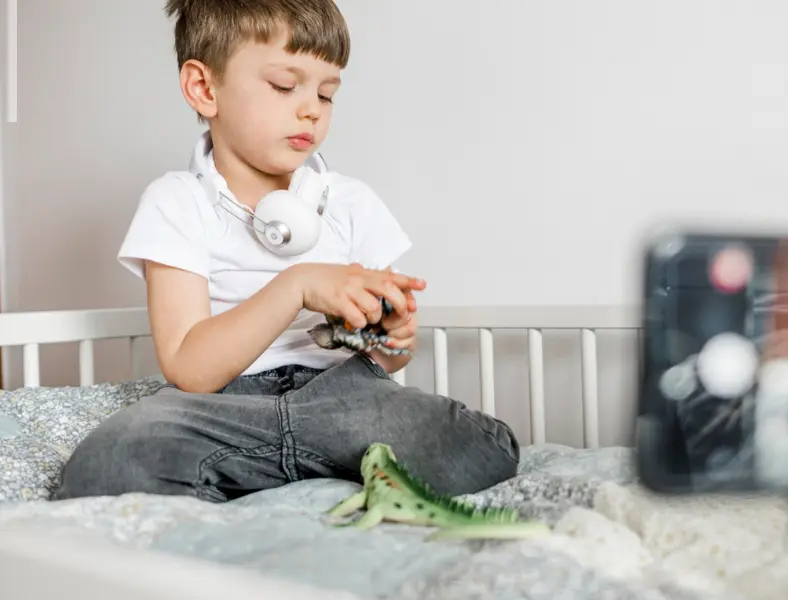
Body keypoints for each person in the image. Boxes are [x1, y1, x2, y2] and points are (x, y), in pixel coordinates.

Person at [52, 0, 519, 503]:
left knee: (483, 446)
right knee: (107, 464)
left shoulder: (349, 201)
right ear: (204, 88)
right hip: (225, 409)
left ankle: (285, 470)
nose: (311, 109)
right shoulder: (176, 201)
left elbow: (385, 362)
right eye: (284, 86)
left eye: (326, 93)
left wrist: (393, 337)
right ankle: (313, 472)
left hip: (344, 397)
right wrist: (296, 286)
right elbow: (189, 368)